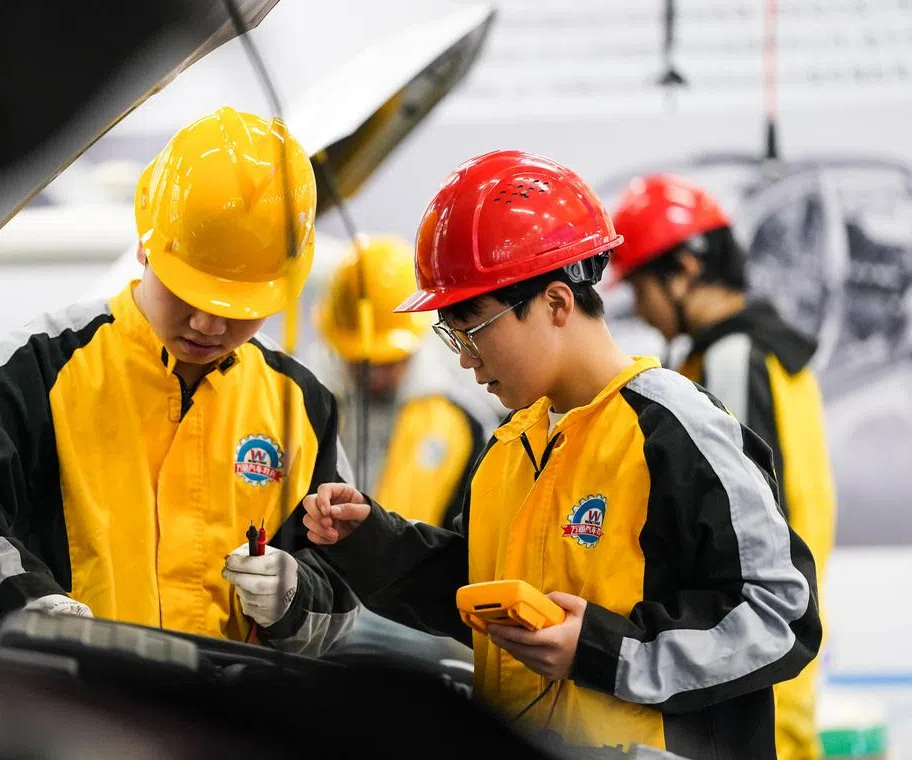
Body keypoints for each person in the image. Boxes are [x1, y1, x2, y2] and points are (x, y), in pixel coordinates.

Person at [284, 151, 822, 757]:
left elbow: (779, 614)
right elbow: (481, 595)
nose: (465, 357)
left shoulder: (676, 430)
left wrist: (601, 649)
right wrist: (369, 539)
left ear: (557, 304)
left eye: (475, 328)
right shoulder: (512, 446)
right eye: (451, 335)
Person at [0, 106, 359, 653]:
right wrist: (31, 606)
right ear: (146, 244)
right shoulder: (37, 370)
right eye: (188, 292)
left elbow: (345, 584)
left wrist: (294, 599)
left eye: (240, 306)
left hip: (228, 720)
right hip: (76, 714)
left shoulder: (300, 405)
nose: (209, 324)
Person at [609, 173, 837, 760]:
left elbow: (747, 519)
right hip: (776, 635)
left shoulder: (734, 359)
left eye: (641, 285)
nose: (640, 307)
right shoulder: (766, 350)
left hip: (754, 646)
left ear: (683, 268)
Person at [314, 235, 497, 528]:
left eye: (387, 362)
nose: (374, 375)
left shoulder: (463, 425)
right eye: (361, 363)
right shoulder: (311, 409)